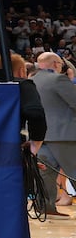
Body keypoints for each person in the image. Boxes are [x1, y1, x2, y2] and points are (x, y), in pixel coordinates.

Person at [0, 53, 74, 238]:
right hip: (31, 148)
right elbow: (37, 113)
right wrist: (35, 144)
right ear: (21, 71)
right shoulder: (27, 83)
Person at [34, 51, 76, 219]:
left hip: (41, 135)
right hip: (65, 134)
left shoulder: (30, 81)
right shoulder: (58, 79)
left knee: (45, 174)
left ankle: (46, 207)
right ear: (55, 64)